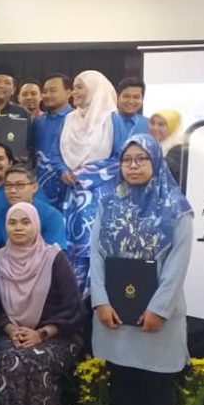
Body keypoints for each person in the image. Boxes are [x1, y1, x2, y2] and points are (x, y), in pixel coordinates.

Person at [91, 135, 193, 405]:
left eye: (141, 159)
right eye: (127, 160)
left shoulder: (176, 207)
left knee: (157, 386)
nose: (133, 166)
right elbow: (96, 254)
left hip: (156, 316)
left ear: (155, 162)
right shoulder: (108, 202)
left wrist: (159, 309)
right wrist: (100, 300)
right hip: (116, 313)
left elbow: (178, 263)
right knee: (123, 382)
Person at [0, 203, 84, 405]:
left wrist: (42, 333)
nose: (18, 228)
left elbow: (74, 308)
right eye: (12, 222)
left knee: (36, 360)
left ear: (36, 225)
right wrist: (10, 329)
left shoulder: (54, 258)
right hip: (13, 334)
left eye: (25, 222)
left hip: (57, 335)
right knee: (9, 357)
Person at [46, 70, 130, 291]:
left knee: (96, 246)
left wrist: (84, 173)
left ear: (95, 89)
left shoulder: (112, 119)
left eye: (79, 87)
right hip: (71, 195)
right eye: (73, 87)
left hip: (101, 195)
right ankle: (74, 299)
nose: (74, 92)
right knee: (70, 246)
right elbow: (54, 154)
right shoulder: (68, 120)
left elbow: (120, 158)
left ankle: (97, 298)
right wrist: (63, 171)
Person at [0, 165, 67, 253]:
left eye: (20, 185)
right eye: (8, 185)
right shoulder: (2, 213)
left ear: (34, 187)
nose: (12, 191)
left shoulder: (51, 216)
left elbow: (55, 254)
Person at [31, 73, 74, 209]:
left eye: (53, 90)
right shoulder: (38, 121)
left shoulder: (77, 119)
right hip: (41, 187)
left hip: (68, 184)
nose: (47, 95)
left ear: (69, 92)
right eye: (44, 91)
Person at [148, 109, 184, 184]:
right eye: (152, 123)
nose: (155, 128)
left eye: (161, 124)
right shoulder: (150, 146)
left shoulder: (180, 150)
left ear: (173, 127)